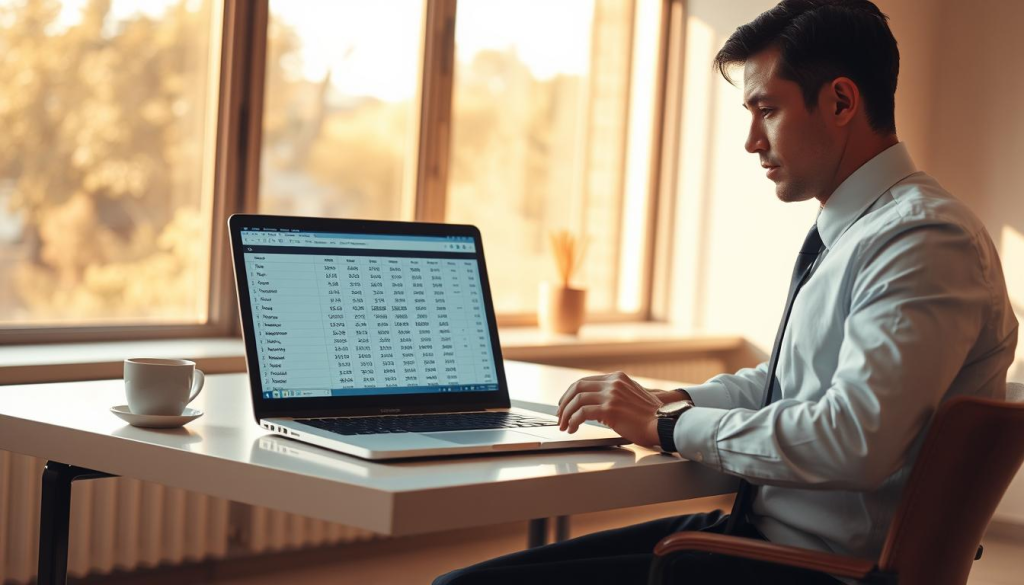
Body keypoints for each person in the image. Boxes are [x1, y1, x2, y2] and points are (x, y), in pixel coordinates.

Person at [433, 1, 1018, 583]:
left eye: (766, 110)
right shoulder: (863, 229)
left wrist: (666, 428)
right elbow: (788, 384)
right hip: (760, 541)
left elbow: (854, 438)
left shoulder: (922, 239)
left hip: (811, 570)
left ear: (841, 101)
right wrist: (673, 399)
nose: (750, 141)